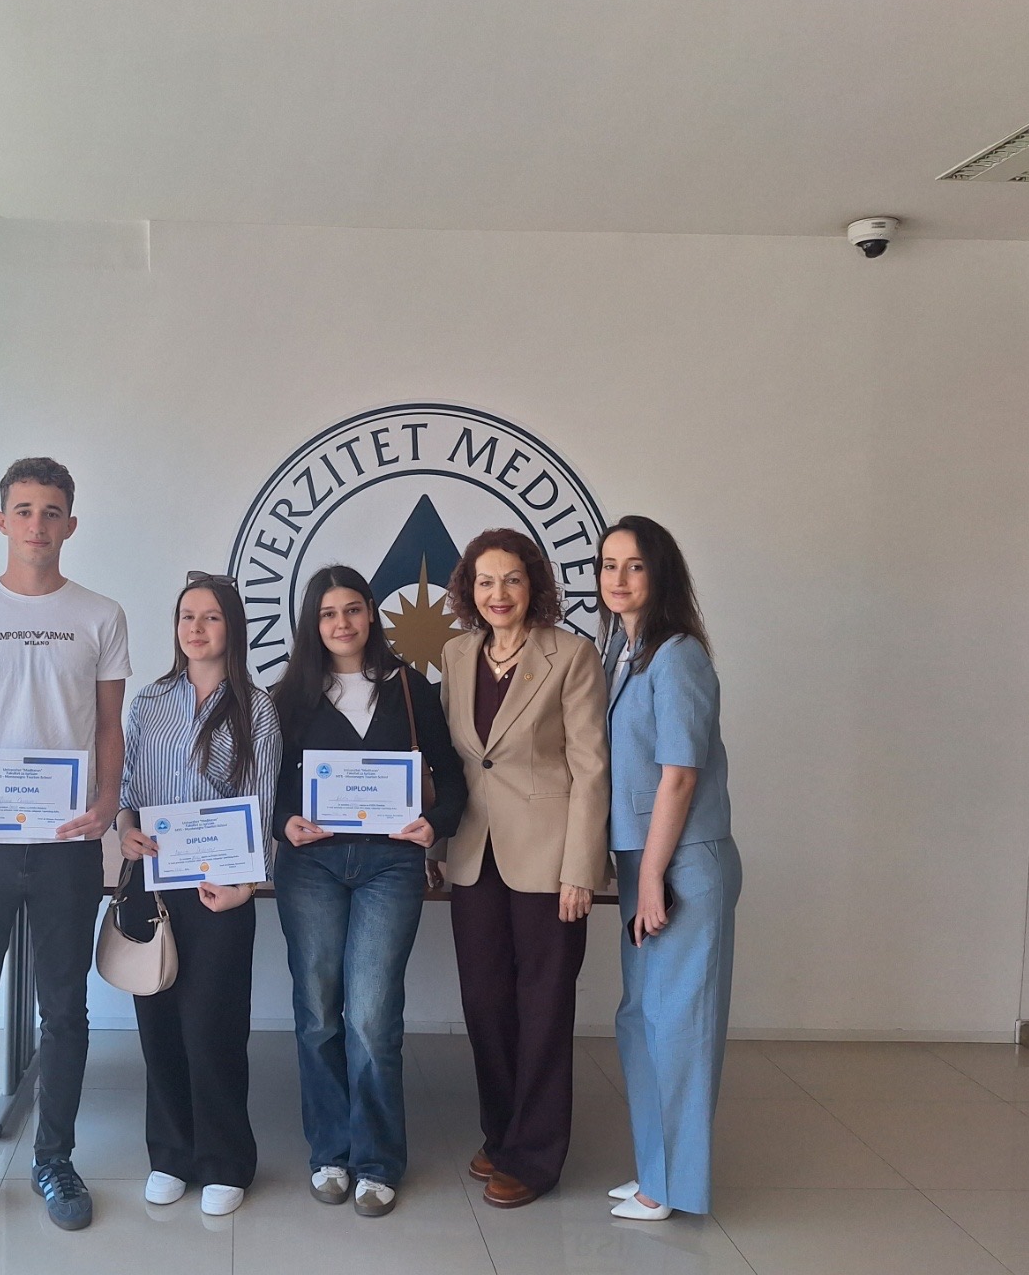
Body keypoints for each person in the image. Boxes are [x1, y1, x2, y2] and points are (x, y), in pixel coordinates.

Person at [0, 457, 130, 1236]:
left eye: (51, 512)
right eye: (23, 510)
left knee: (65, 1010)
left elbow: (109, 725)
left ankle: (55, 1159)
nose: (37, 525)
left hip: (66, 843)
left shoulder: (101, 614)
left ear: (70, 524)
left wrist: (107, 801)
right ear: (0, 521)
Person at [270, 565, 467, 1217]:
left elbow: (452, 779)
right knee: (318, 1014)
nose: (342, 623)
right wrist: (283, 822)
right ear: (312, 622)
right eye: (328, 613)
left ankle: (378, 1160)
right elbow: (265, 785)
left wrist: (434, 824)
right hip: (312, 867)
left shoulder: (411, 688)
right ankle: (330, 1151)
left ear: (371, 614)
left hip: (390, 866)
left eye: (353, 609)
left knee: (373, 1017)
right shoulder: (287, 697)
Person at [439, 529, 608, 1209]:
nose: (498, 593)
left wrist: (581, 868)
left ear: (532, 584)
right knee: (485, 1003)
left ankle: (534, 1157)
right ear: (469, 591)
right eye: (485, 581)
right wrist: (432, 846)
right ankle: (501, 1132)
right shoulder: (456, 655)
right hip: (473, 854)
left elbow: (591, 768)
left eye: (511, 579)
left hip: (548, 859)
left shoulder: (571, 655)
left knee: (543, 1007)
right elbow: (454, 763)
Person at [116, 573, 282, 1217]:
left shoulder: (256, 707)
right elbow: (128, 787)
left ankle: (224, 1161)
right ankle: (170, 1155)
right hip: (154, 885)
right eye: (187, 616)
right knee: (158, 1024)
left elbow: (263, 804)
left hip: (222, 891)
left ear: (232, 628)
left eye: (211, 617)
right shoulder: (149, 701)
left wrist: (248, 886)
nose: (196, 628)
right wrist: (125, 828)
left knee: (213, 1028)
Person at [599, 515, 739, 1222]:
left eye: (634, 566)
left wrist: (653, 876)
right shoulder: (624, 654)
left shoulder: (678, 656)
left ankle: (672, 1188)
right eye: (608, 566)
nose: (618, 579)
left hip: (681, 861)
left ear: (661, 575)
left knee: (679, 1026)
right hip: (645, 860)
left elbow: (679, 776)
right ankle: (655, 1170)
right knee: (643, 1020)